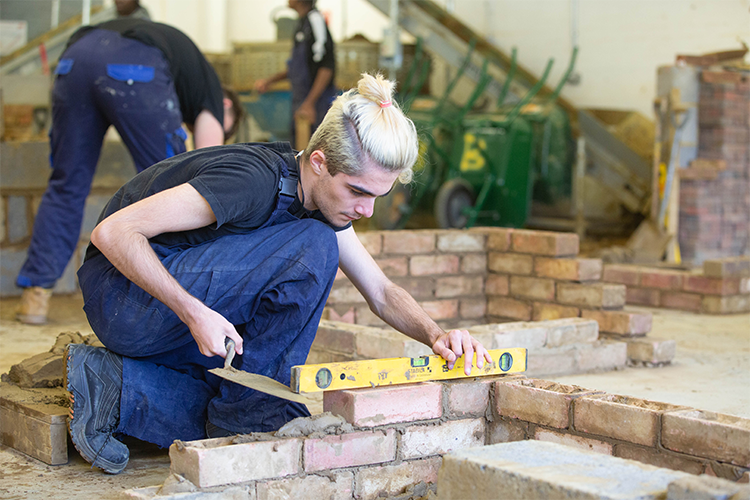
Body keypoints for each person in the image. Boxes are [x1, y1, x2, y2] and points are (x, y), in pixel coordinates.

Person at [63, 73, 493, 474]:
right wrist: (195, 313)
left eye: (378, 196)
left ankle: (115, 388)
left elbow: (380, 291)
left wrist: (437, 335)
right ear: (320, 162)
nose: (366, 210)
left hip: (159, 309)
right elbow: (113, 232)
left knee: (253, 399)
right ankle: (252, 416)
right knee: (313, 250)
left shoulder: (320, 201)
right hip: (126, 300)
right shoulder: (254, 180)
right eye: (359, 192)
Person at [15, 17, 244, 325]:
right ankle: (174, 296)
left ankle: (35, 298)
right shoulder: (213, 95)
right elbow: (207, 168)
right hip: (133, 66)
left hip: (74, 61)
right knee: (172, 188)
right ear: (227, 105)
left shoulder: (182, 65)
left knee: (66, 183)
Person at [254, 0, 337, 145]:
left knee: (317, 149)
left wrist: (310, 103)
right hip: (301, 101)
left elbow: (326, 66)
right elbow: (297, 67)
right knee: (299, 150)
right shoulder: (301, 23)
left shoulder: (315, 20)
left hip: (316, 104)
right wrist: (270, 81)